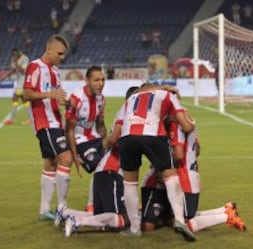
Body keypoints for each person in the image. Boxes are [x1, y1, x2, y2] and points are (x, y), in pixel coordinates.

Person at [55, 87, 140, 237]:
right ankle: (77, 222)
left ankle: (65, 212)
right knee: (124, 219)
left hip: (105, 172)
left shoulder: (125, 115)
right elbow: (113, 140)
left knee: (102, 216)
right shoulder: (131, 118)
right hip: (112, 173)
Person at [141, 112, 246, 233]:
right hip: (190, 174)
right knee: (176, 218)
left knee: (185, 222)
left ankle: (227, 216)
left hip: (183, 177)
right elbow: (197, 150)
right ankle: (224, 210)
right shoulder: (188, 119)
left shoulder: (176, 122)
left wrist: (160, 162)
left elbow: (179, 155)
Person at [116, 84, 197, 241]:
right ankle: (180, 221)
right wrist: (193, 124)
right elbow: (186, 126)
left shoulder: (130, 98)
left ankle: (134, 228)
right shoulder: (168, 96)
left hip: (127, 137)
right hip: (153, 133)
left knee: (129, 183)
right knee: (171, 176)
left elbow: (118, 127)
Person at [23, 34, 73, 221]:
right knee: (66, 158)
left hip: (56, 122)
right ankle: (62, 207)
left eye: (63, 54)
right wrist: (49, 94)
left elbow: (57, 97)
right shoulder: (35, 66)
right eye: (59, 53)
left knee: (50, 164)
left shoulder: (55, 71)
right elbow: (26, 94)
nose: (61, 57)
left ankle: (44, 210)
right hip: (44, 122)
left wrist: (65, 102)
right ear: (49, 50)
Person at [65, 66, 107, 178]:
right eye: (96, 80)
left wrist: (106, 144)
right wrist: (75, 157)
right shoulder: (76, 99)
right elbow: (69, 130)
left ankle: (97, 195)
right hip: (80, 141)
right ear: (87, 81)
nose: (101, 84)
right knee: (100, 167)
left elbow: (101, 125)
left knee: (111, 165)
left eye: (103, 80)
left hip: (95, 138)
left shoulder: (101, 99)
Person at [0, 48, 31, 125]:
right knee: (24, 100)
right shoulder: (13, 59)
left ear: (19, 53)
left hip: (24, 79)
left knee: (15, 96)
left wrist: (16, 63)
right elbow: (14, 70)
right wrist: (6, 76)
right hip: (19, 80)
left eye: (16, 54)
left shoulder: (25, 58)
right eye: (14, 55)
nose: (15, 56)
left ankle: (11, 119)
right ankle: (31, 119)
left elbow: (23, 70)